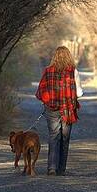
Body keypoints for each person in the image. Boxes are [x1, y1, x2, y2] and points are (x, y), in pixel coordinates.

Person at [36, 46, 83, 176]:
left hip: (51, 109)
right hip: (67, 109)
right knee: (64, 138)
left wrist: (47, 100)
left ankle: (52, 168)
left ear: (54, 57)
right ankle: (61, 169)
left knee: (53, 136)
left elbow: (41, 91)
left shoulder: (47, 71)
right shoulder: (73, 72)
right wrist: (70, 96)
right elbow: (79, 92)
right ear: (69, 56)